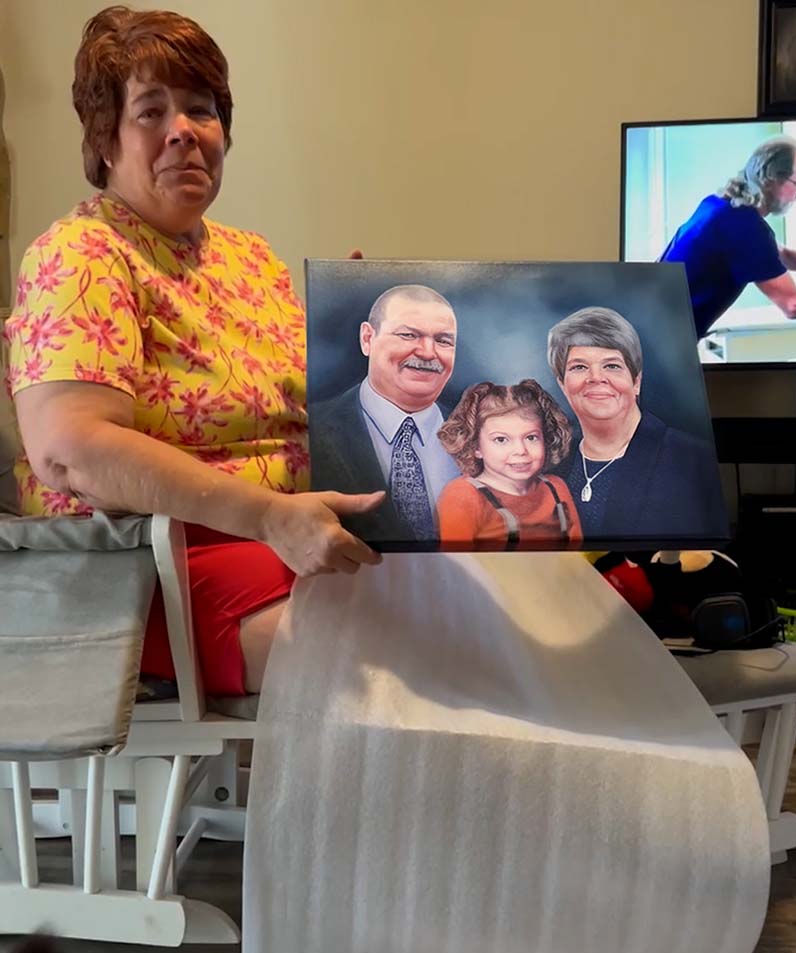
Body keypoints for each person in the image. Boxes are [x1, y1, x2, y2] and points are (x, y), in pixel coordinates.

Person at [4, 6, 383, 699]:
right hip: (154, 572)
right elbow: (71, 448)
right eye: (151, 112)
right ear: (106, 141)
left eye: (201, 110)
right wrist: (269, 516)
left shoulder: (250, 259)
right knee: (391, 664)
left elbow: (295, 419)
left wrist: (359, 356)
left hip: (280, 544)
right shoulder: (80, 255)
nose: (183, 130)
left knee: (488, 606)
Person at [546, 306, 727, 544]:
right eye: (579, 367)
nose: (596, 378)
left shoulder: (690, 458)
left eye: (612, 365)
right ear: (562, 384)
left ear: (636, 381)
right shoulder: (550, 462)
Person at [309, 284, 460, 544]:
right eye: (408, 335)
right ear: (367, 339)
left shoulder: (484, 436)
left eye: (443, 340)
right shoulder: (311, 428)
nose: (427, 352)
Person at [660, 136, 796, 339]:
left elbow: (783, 255)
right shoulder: (745, 227)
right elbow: (792, 305)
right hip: (660, 342)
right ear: (771, 179)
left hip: (647, 328)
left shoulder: (722, 205)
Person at [435, 379, 582, 550]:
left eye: (531, 437)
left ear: (546, 439)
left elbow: (578, 551)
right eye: (501, 440)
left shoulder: (556, 487)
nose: (520, 450)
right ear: (475, 446)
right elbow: (457, 567)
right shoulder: (462, 495)